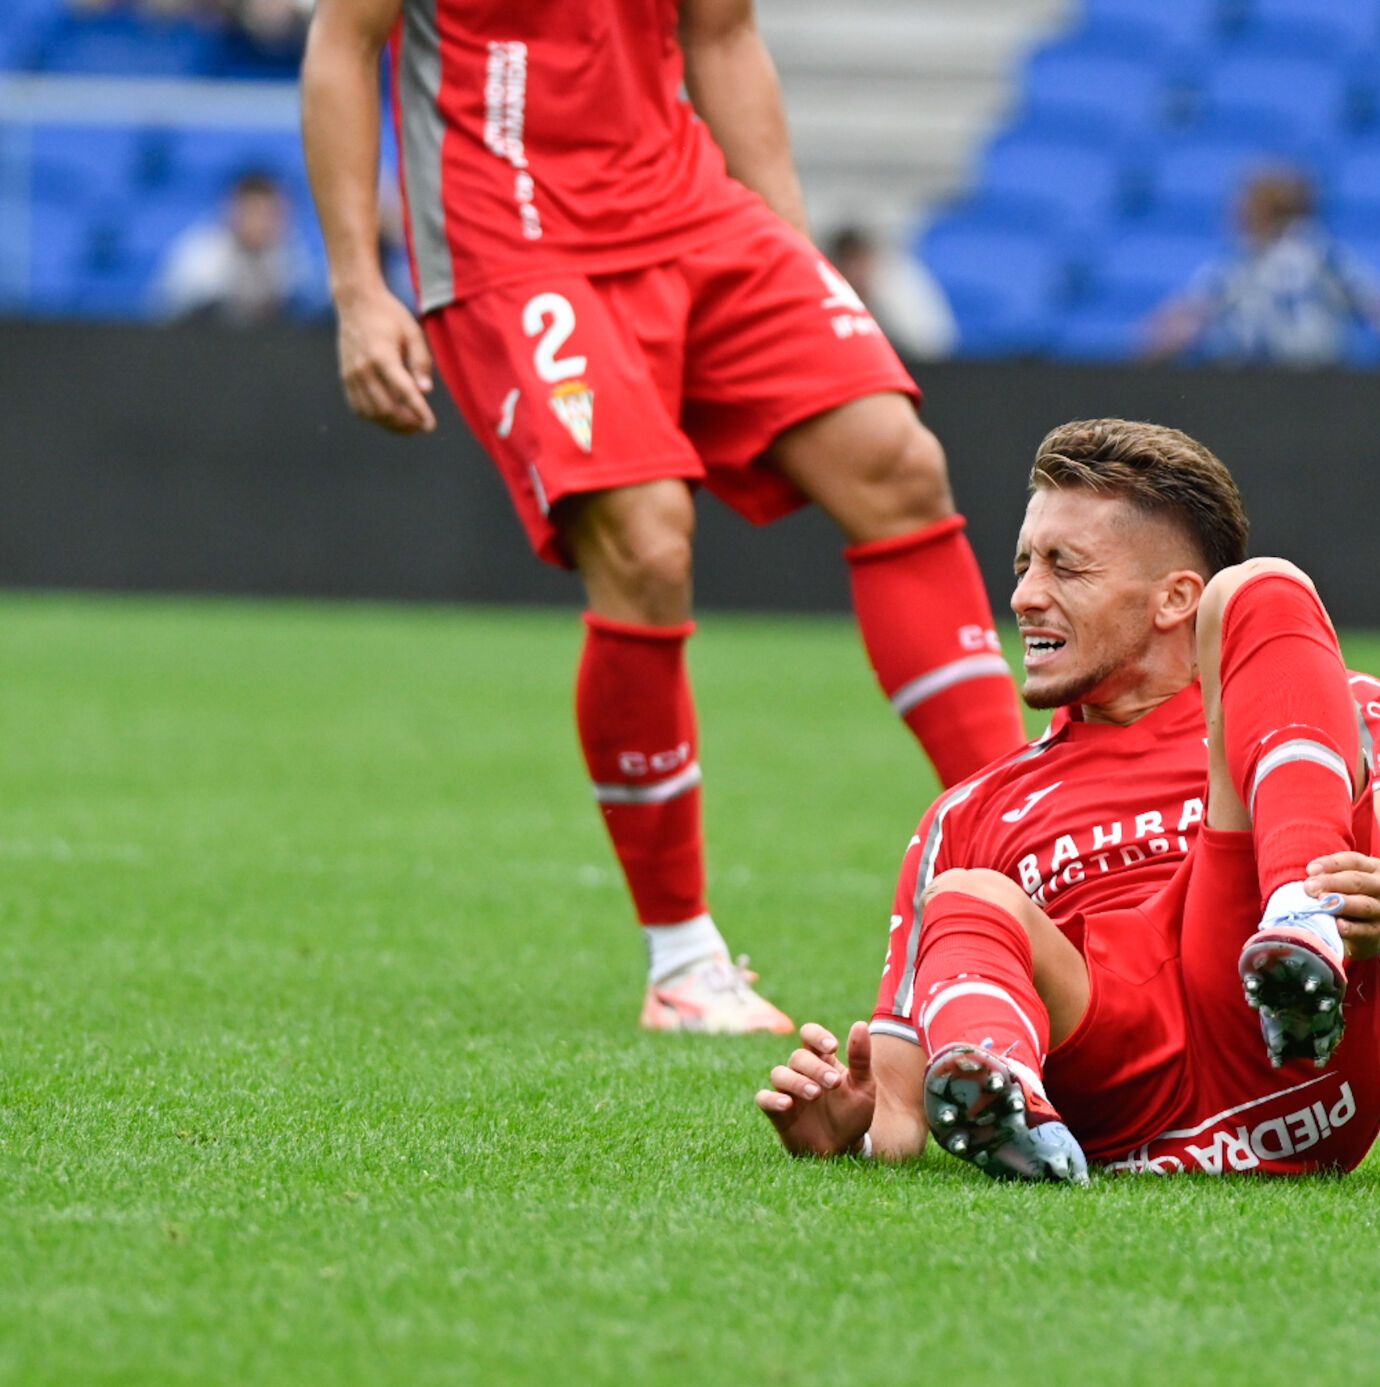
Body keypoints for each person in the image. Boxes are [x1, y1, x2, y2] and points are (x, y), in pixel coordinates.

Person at [299, 0, 1026, 1035]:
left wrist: (788, 248)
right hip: (516, 241)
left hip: (695, 213)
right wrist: (358, 287)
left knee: (896, 463)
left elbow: (722, 35)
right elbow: (344, 38)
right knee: (645, 543)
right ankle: (683, 959)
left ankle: (1024, 851)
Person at [756, 419, 1380, 1182]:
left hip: (1289, 1061)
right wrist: (854, 1129)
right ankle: (1014, 1113)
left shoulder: (1327, 701)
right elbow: (899, 1108)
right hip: (1112, 1089)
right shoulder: (968, 812)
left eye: (1065, 568)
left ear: (1175, 600)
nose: (1025, 596)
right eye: (1024, 564)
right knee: (967, 896)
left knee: (1266, 587)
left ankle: (1302, 928)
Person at [1146, 169, 1380, 369]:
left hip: (1264, 382)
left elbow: (1174, 327)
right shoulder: (1326, 254)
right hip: (1310, 383)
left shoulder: (1248, 263)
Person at [152, 170, 313, 326]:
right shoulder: (201, 254)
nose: (262, 224)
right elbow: (170, 315)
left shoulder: (291, 255)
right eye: (254, 212)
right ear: (233, 211)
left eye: (272, 214)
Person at [824, 226, 958, 361]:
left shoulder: (898, 287)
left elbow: (933, 344)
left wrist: (878, 306)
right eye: (846, 262)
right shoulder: (826, 296)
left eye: (857, 262)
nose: (853, 272)